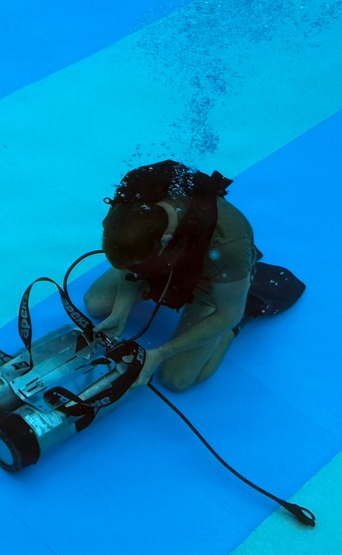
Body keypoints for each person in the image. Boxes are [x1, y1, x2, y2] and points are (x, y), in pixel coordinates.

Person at [82, 160, 257, 392]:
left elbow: (229, 314)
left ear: (164, 244)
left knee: (177, 379)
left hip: (207, 278)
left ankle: (229, 333)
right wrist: (120, 312)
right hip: (162, 260)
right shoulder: (134, 191)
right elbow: (129, 265)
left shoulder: (228, 243)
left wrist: (160, 353)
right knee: (96, 304)